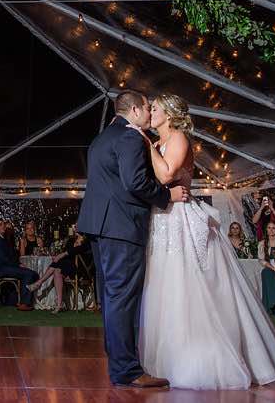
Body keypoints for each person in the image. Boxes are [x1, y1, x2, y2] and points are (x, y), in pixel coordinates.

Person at [139, 93, 275, 389]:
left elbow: (167, 173)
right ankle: (168, 357)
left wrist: (147, 145)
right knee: (164, 287)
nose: (150, 113)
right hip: (162, 218)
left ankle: (206, 359)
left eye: (155, 109)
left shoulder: (179, 139)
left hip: (181, 219)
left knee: (189, 284)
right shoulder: (158, 143)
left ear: (169, 114)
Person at [76, 89, 188, 389]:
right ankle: (126, 370)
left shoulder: (102, 138)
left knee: (112, 298)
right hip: (122, 227)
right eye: (147, 109)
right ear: (136, 109)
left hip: (99, 228)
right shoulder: (129, 137)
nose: (150, 114)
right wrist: (167, 195)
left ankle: (118, 359)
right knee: (123, 299)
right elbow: (135, 182)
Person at [27, 232, 90, 313]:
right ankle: (59, 304)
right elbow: (65, 250)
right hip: (67, 266)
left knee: (58, 263)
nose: (75, 227)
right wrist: (62, 254)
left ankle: (39, 282)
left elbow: (76, 250)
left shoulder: (86, 242)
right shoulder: (71, 240)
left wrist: (62, 255)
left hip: (78, 270)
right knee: (57, 269)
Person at [0, 218, 37, 311]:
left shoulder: (2, 238)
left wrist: (18, 263)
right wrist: (18, 265)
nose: (3, 226)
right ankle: (24, 303)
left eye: (3, 224)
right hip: (3, 269)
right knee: (30, 274)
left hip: (5, 267)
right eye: (0, 224)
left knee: (30, 273)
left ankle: (18, 300)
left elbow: (11, 255)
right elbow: (3, 259)